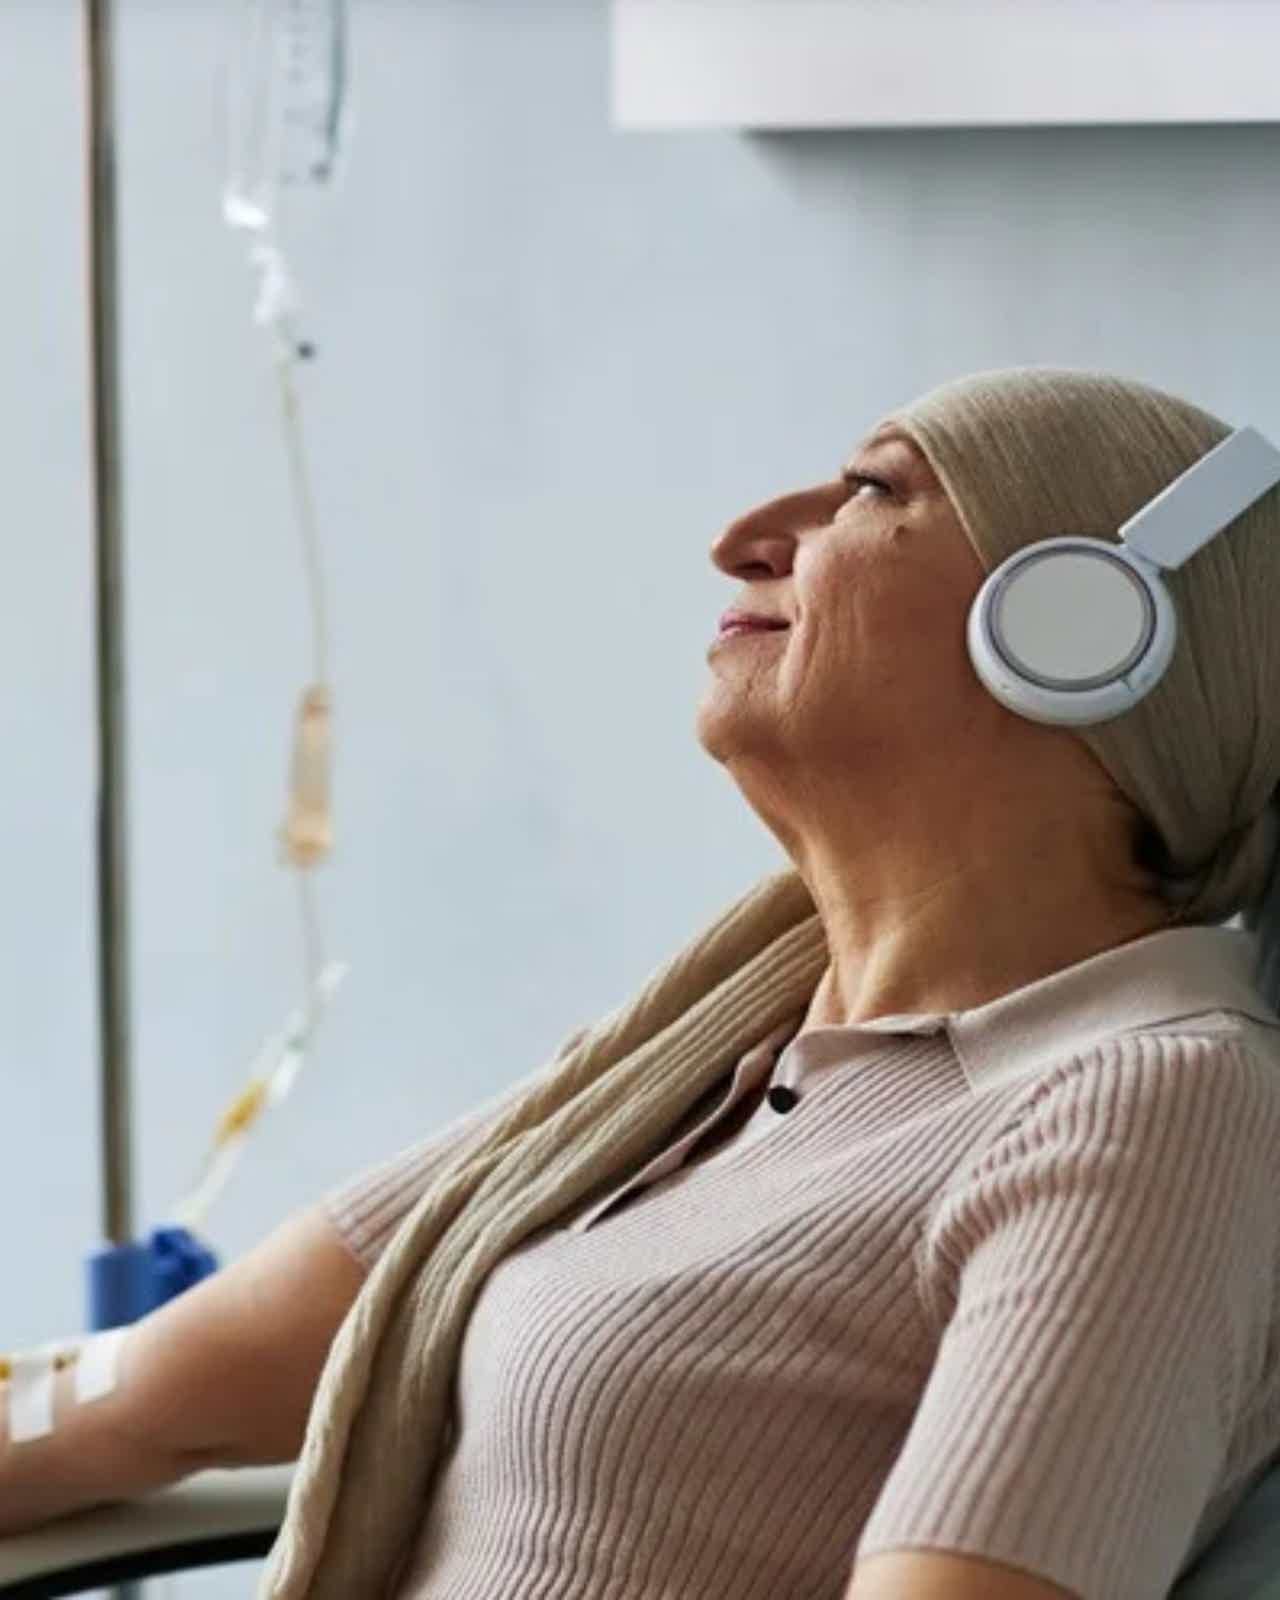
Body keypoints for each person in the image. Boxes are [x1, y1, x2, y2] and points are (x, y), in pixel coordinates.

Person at [3, 367, 1280, 1600]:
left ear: (1083, 621)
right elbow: (140, 1400)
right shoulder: (711, 1052)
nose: (742, 540)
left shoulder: (1147, 1106)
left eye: (870, 494)